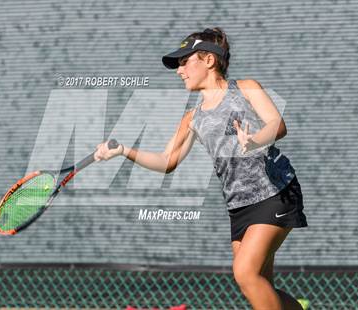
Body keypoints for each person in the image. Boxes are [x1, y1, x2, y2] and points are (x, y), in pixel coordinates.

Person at [94, 28, 308, 310]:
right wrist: (124, 151)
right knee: (258, 287)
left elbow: (277, 125)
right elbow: (167, 161)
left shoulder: (246, 88)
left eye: (185, 61)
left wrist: (254, 140)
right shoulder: (192, 118)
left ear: (208, 60)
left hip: (275, 193)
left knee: (245, 274)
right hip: (239, 208)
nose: (179, 70)